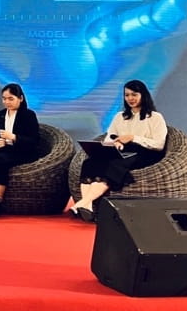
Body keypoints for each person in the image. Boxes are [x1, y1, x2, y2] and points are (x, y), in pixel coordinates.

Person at [71, 79, 167, 222]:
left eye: (134, 94)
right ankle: (88, 206)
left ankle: (81, 204)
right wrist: (114, 143)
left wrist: (133, 137)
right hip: (122, 151)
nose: (130, 98)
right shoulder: (119, 117)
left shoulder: (155, 117)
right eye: (127, 95)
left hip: (145, 153)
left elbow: (159, 144)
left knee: (114, 165)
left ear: (143, 95)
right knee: (90, 163)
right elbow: (110, 136)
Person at [0, 83, 41, 217]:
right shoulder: (0, 114)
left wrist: (14, 137)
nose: (7, 102)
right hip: (5, 149)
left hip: (24, 152)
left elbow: (34, 140)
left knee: (0, 160)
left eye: (11, 99)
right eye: (4, 99)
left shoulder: (29, 115)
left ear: (21, 98)